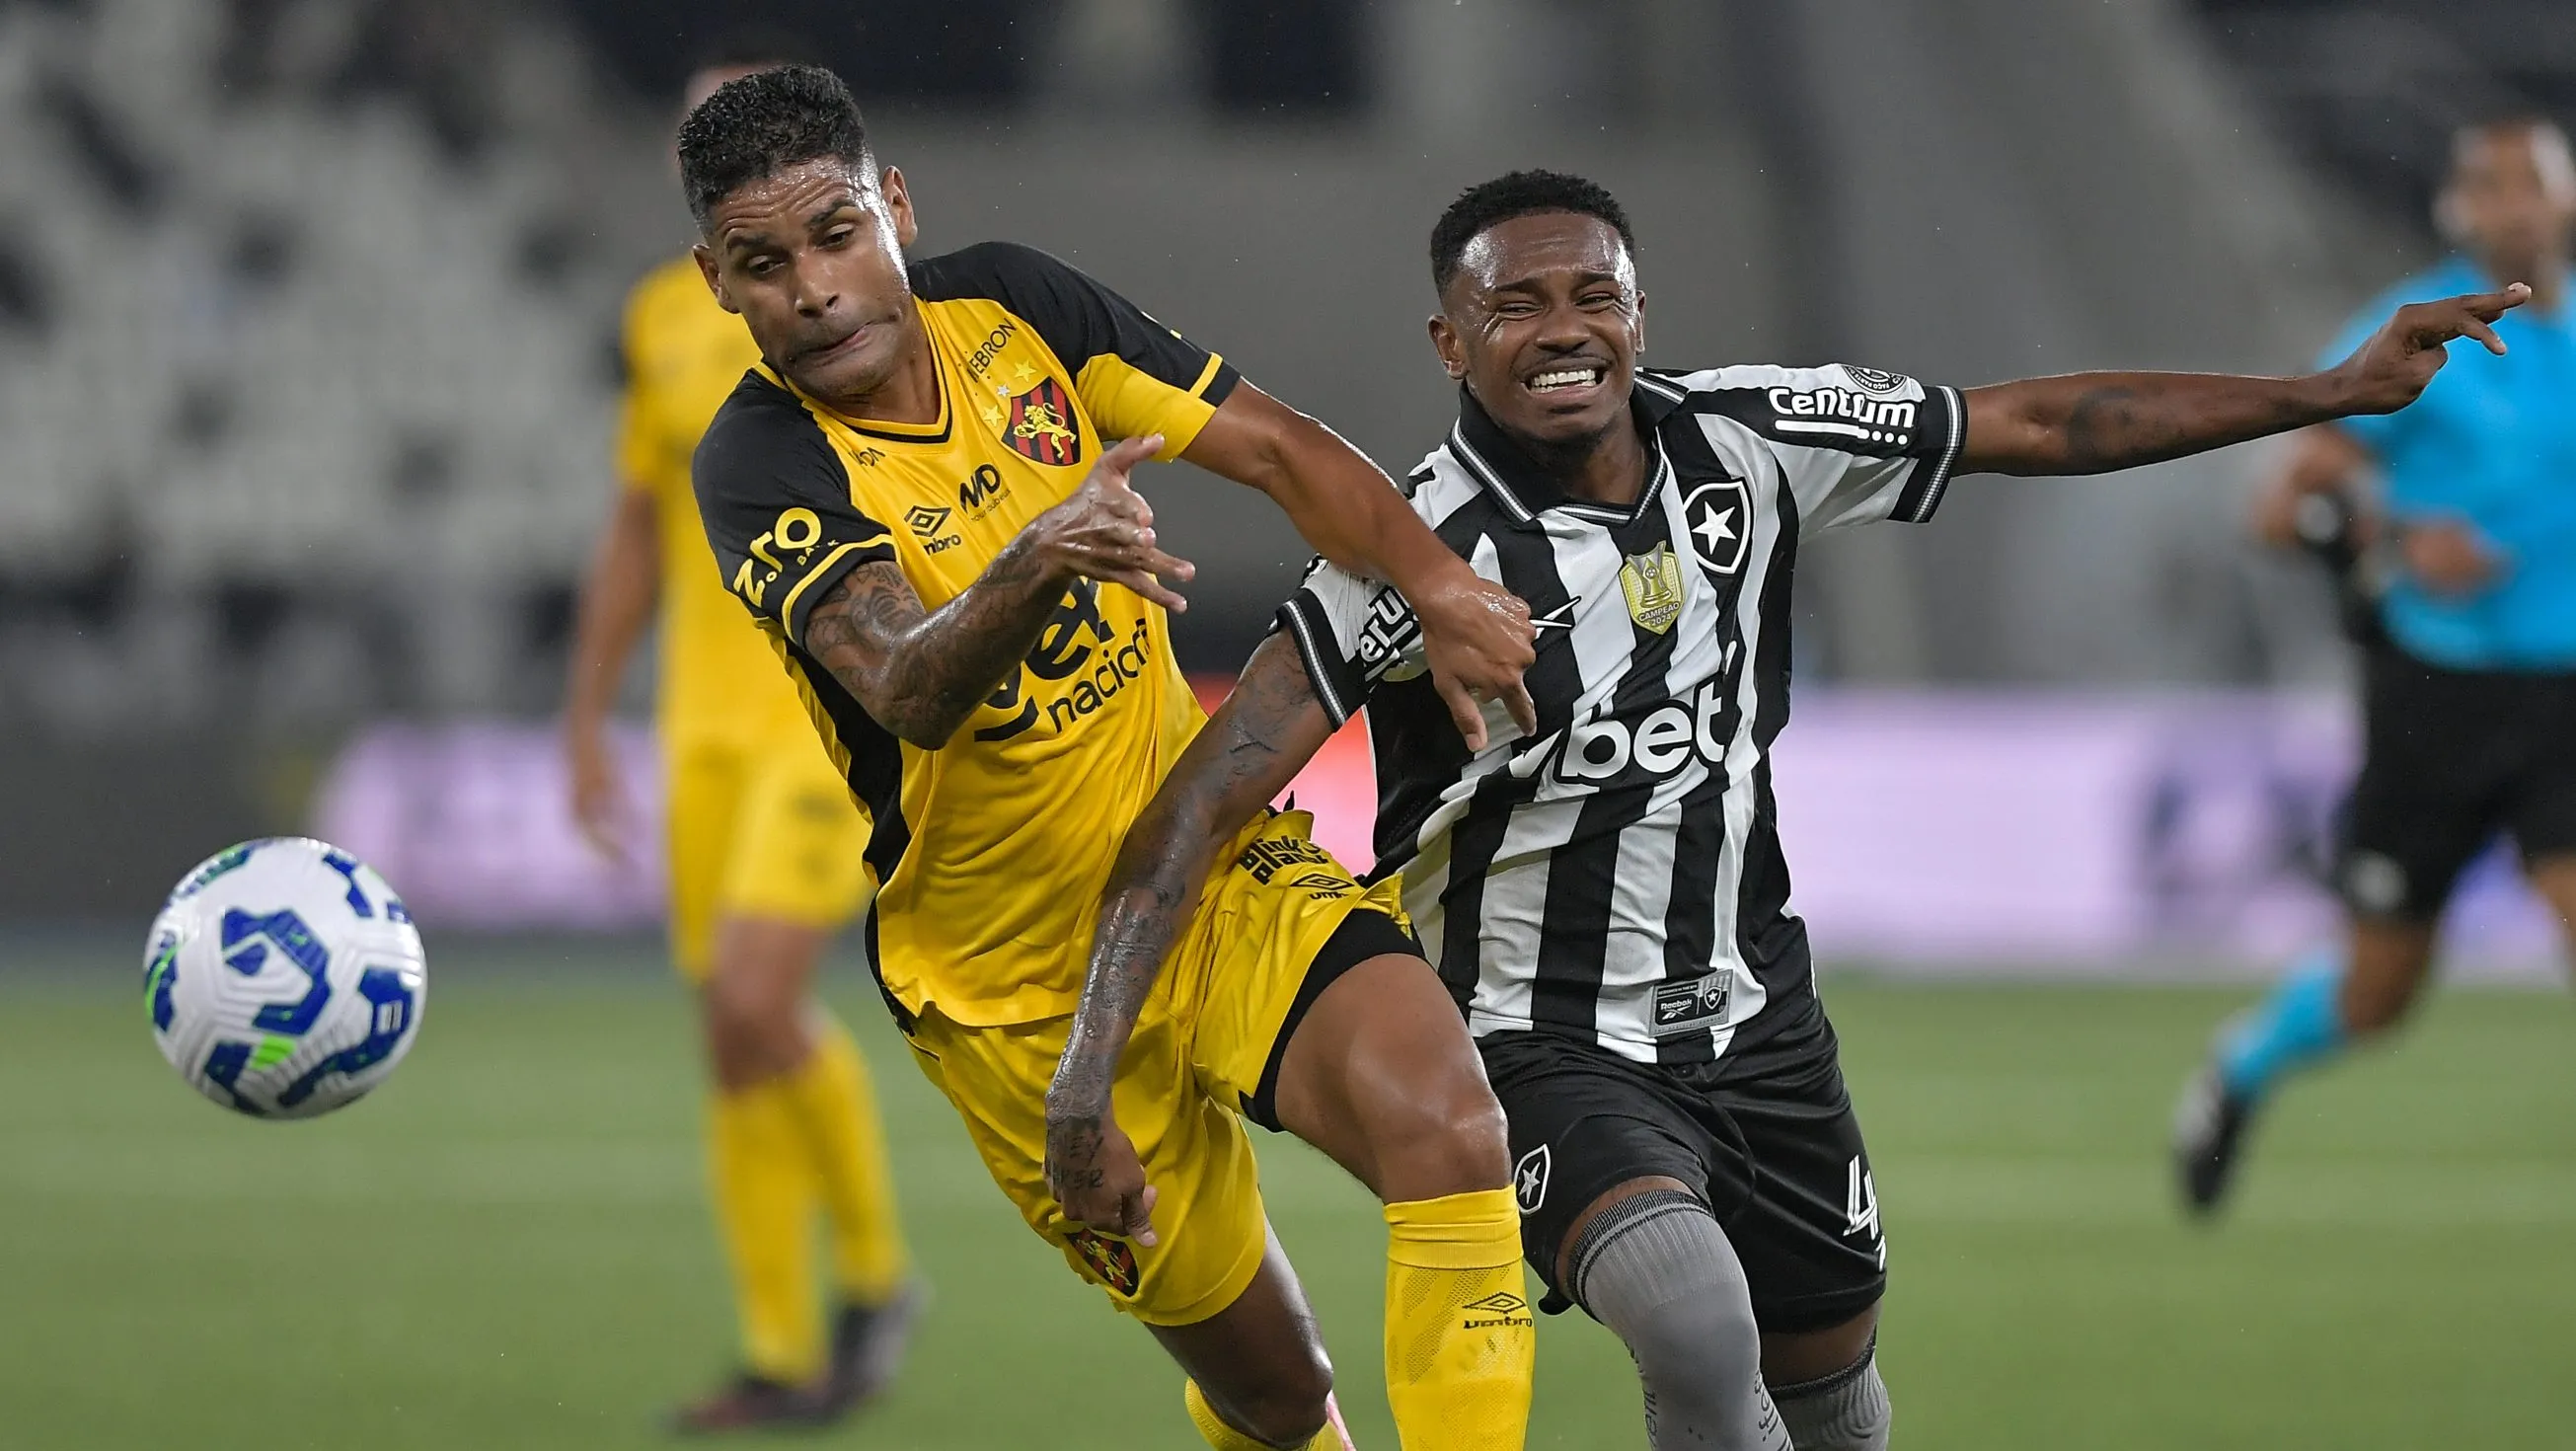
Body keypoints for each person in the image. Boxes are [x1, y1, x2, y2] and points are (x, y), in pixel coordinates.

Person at [1060, 169, 2525, 1451]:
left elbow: (2035, 421)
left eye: (1595, 295)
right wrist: (1088, 1074)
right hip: (1527, 1031)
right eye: (1516, 307)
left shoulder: (1752, 438)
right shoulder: (1410, 556)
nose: (1563, 328)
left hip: (1759, 1026)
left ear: (1642, 311)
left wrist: (2324, 393)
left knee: (1831, 1397)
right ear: (1450, 341)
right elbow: (1199, 800)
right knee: (1693, 1327)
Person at [679, 66, 1542, 1451]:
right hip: (1010, 987)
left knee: (1446, 1124)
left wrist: (1433, 584)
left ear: (893, 205)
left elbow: (1270, 447)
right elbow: (905, 686)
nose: (814, 288)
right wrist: (1037, 555)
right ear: (716, 281)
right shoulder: (757, 463)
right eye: (762, 264)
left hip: (1203, 866)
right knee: (1273, 1388)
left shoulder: (1013, 307)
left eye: (836, 233)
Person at [559, 42, 922, 1434]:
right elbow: (638, 525)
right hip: (698, 728)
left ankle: (879, 1281)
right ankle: (779, 1350)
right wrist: (589, 717)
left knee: (754, 1002)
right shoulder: (662, 314)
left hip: (826, 718)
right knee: (728, 1041)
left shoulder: (863, 300)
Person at [2174, 115, 2576, 1214]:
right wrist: (2400, 537)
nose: (2516, 209)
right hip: (2435, 698)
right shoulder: (2412, 332)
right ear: (2460, 211)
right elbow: (2281, 507)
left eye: (2532, 185)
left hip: (2565, 697)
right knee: (2379, 991)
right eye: (2492, 189)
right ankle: (2240, 1069)